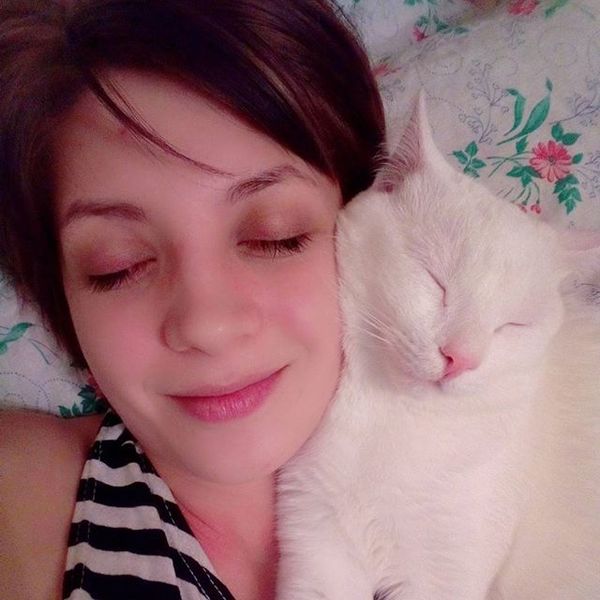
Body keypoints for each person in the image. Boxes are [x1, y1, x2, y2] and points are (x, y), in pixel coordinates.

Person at [0, 1, 384, 598]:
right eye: (119, 266)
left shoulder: (516, 440)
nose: (207, 324)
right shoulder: (25, 489)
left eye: (275, 236)